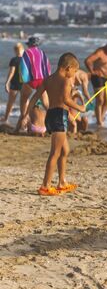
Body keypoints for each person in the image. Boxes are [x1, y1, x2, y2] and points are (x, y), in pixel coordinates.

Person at [22, 53, 85, 196]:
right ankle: (45, 186)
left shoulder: (48, 79)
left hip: (51, 115)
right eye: (74, 71)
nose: (74, 75)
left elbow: (35, 97)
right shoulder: (66, 81)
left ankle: (62, 182)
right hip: (58, 117)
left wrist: (26, 114)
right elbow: (66, 100)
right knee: (55, 153)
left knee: (64, 150)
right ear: (68, 68)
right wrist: (80, 108)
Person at [15, 36, 51, 133]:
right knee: (46, 103)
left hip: (32, 80)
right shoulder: (42, 53)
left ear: (29, 45)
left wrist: (23, 79)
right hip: (42, 80)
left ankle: (23, 120)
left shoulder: (27, 52)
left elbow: (23, 67)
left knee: (23, 99)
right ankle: (55, 119)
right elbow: (47, 67)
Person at [84, 39, 107, 126]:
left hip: (106, 78)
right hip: (98, 78)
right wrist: (92, 71)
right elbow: (87, 60)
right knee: (100, 100)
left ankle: (100, 117)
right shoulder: (100, 52)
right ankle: (99, 121)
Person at [3, 43, 25, 124]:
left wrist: (7, 82)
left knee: (11, 102)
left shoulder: (14, 60)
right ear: (22, 50)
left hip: (15, 83)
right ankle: (25, 120)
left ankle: (6, 119)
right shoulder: (25, 59)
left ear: (15, 51)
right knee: (25, 102)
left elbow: (12, 72)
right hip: (24, 83)